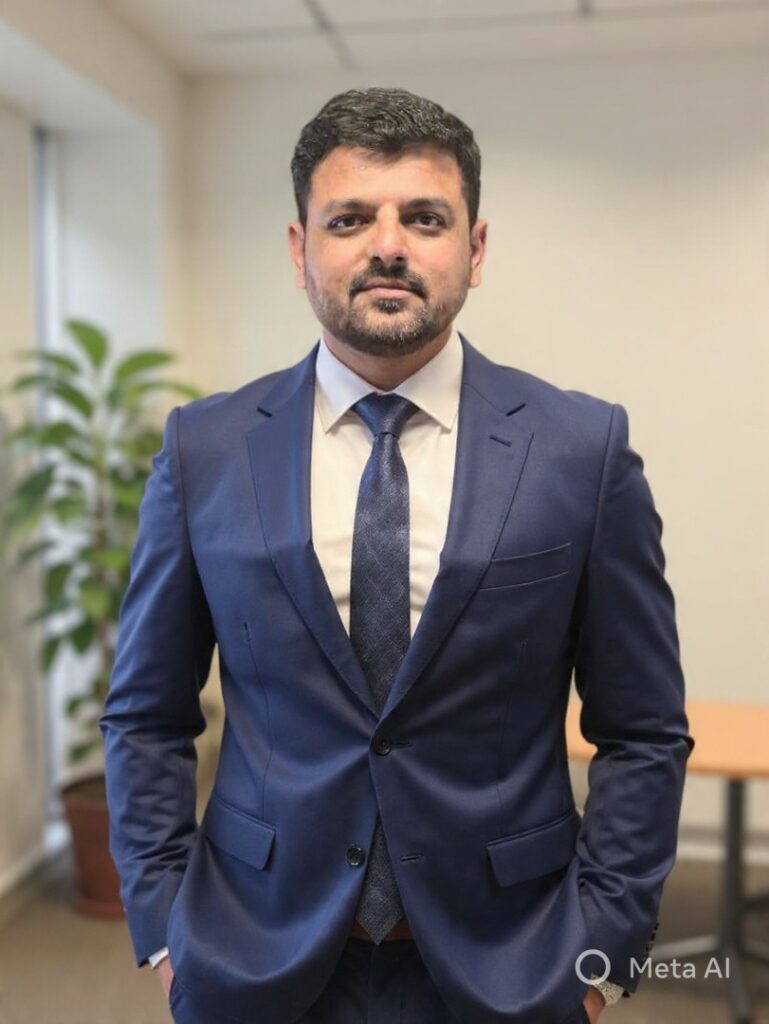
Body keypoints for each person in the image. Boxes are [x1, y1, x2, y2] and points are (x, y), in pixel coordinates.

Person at [100, 86, 694, 1024]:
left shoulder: (581, 451)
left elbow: (643, 729)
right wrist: (169, 930)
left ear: (475, 248)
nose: (387, 245)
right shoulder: (204, 450)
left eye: (424, 217)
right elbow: (145, 714)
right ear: (299, 249)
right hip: (253, 949)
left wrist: (599, 953)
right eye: (348, 219)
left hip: (513, 959)